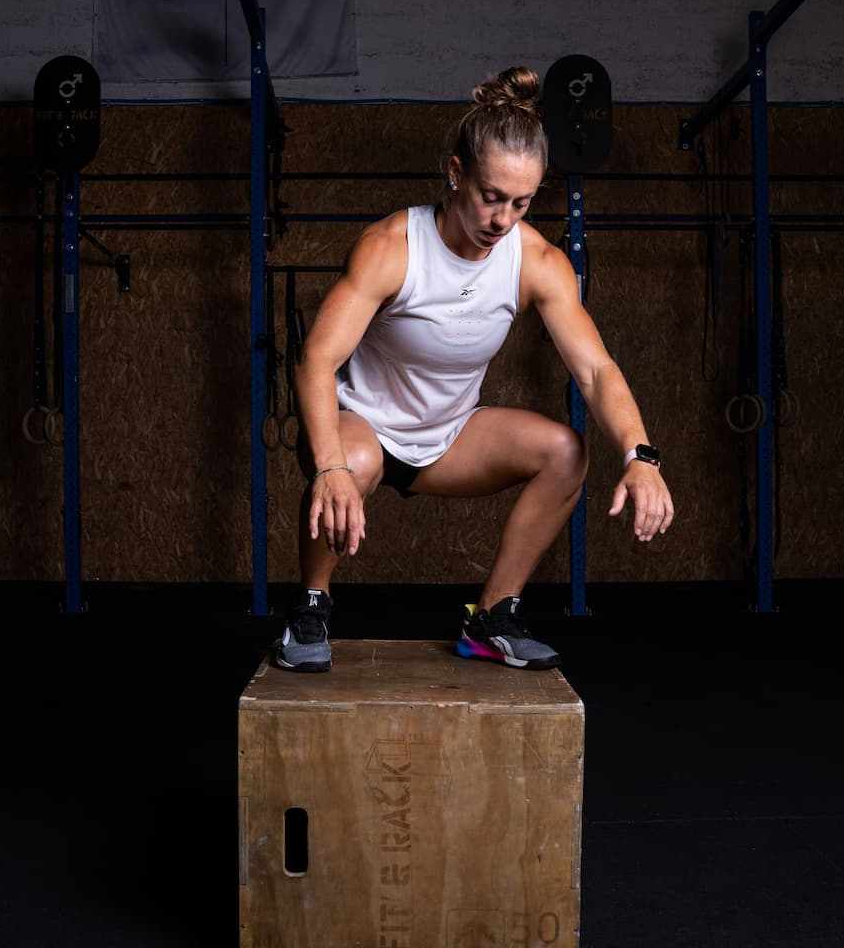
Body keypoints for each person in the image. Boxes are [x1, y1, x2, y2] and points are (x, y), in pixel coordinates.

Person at [274, 66, 674, 673]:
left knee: (565, 452)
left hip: (450, 436)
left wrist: (640, 457)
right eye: (491, 197)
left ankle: (491, 618)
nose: (502, 220)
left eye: (521, 202)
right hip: (363, 429)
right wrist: (327, 464)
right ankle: (311, 606)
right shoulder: (392, 246)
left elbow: (595, 370)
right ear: (456, 173)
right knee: (353, 462)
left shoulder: (537, 261)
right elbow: (316, 360)